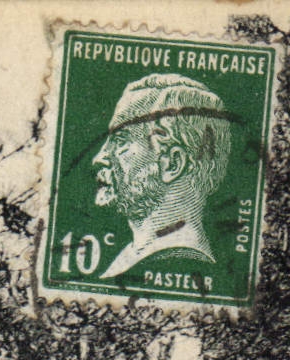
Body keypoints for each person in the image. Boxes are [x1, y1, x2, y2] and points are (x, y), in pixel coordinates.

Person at [90, 73, 234, 279]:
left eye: (121, 141)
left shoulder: (180, 263)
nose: (99, 158)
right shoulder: (133, 256)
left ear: (172, 164)